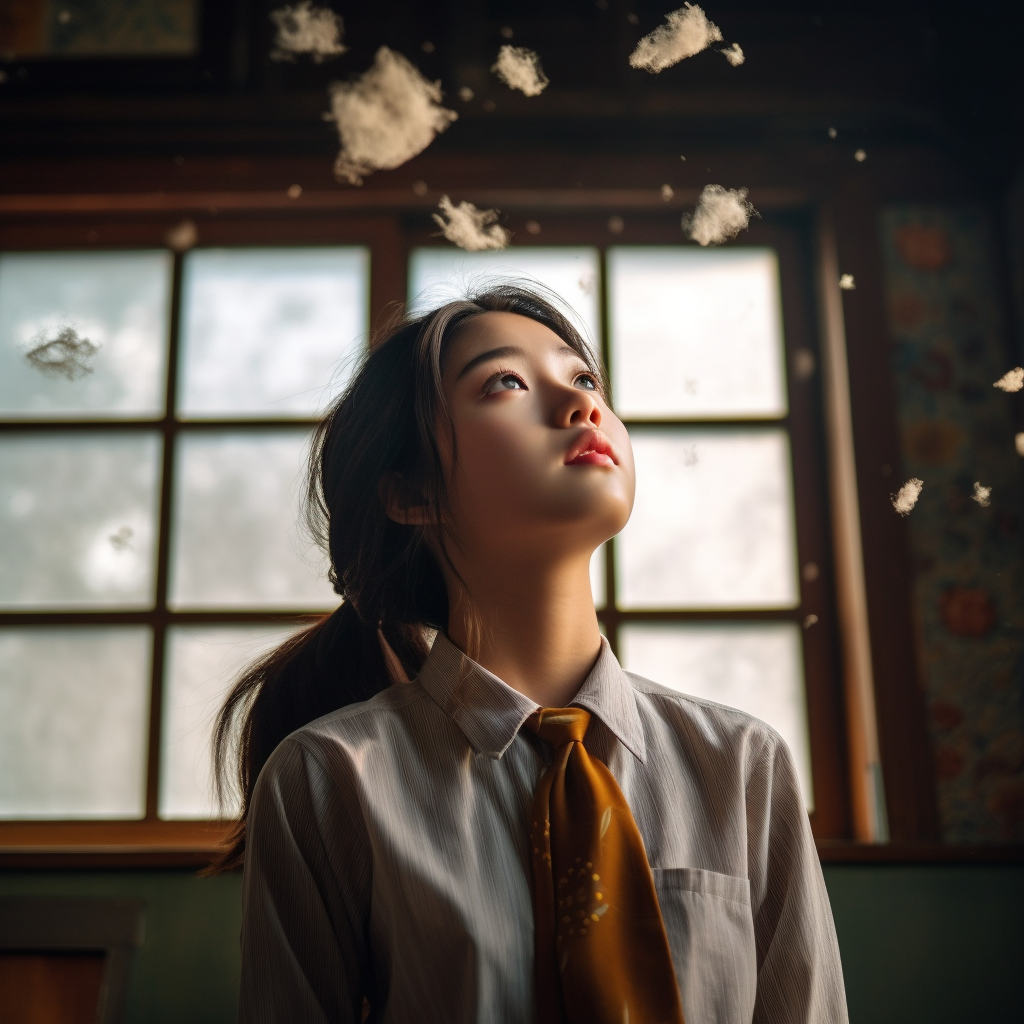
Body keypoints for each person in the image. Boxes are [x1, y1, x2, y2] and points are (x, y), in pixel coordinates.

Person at [212, 285, 849, 1024]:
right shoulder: (327, 778)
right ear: (412, 493)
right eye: (505, 382)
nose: (581, 407)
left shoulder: (741, 765)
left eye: (583, 379)